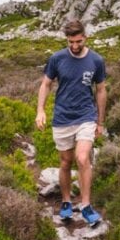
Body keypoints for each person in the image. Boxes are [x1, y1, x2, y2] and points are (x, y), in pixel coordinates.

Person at [35, 19, 107, 224]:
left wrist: (100, 122)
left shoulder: (96, 61)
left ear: (85, 37)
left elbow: (101, 90)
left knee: (83, 158)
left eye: (78, 41)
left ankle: (86, 205)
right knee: (66, 161)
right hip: (62, 117)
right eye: (70, 42)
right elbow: (46, 84)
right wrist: (40, 110)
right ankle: (66, 202)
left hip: (86, 116)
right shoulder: (57, 59)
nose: (75, 46)